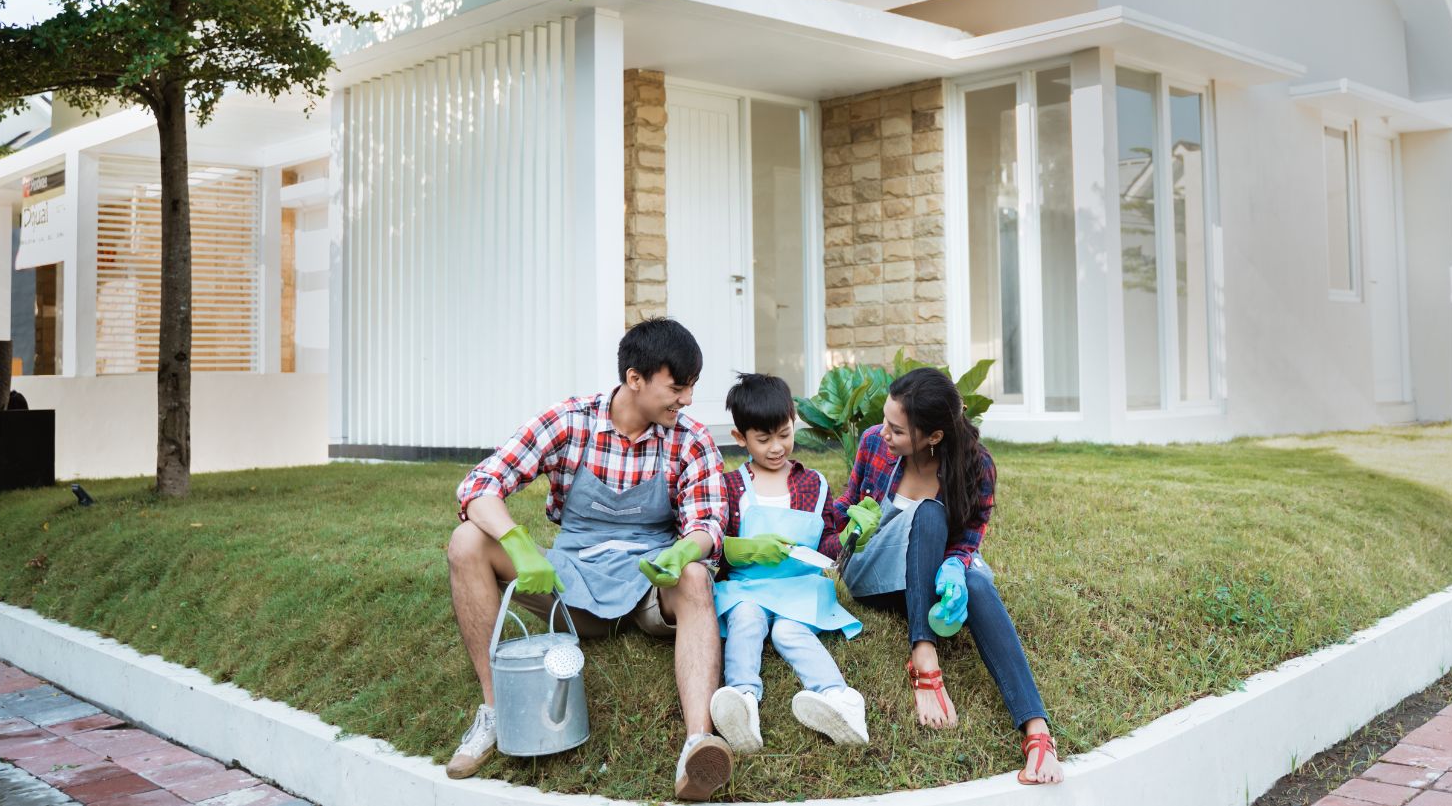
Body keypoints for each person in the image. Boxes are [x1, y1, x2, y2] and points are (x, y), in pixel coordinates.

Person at [443, 318, 734, 801]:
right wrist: (517, 542)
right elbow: (479, 486)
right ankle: (496, 711)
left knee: (697, 577)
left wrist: (685, 550)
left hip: (648, 584)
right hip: (570, 584)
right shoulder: (569, 421)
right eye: (677, 388)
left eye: (691, 389)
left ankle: (697, 745)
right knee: (466, 541)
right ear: (635, 378)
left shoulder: (691, 438)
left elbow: (707, 522)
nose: (686, 401)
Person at [819, 366, 1065, 785]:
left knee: (973, 580)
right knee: (930, 514)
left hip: (929, 573)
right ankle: (924, 654)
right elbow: (839, 514)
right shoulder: (872, 445)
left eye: (897, 430)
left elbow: (971, 533)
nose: (883, 433)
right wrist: (846, 528)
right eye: (885, 420)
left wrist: (955, 563)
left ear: (933, 436)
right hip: (875, 572)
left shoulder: (976, 463)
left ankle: (1037, 732)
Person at [708, 372, 870, 753]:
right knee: (747, 618)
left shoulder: (814, 484)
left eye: (784, 433)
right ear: (740, 439)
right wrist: (743, 548)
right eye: (763, 440)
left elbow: (827, 542)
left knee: (788, 633)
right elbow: (715, 546)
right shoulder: (731, 487)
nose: (777, 447)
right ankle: (743, 702)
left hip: (800, 587)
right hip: (747, 587)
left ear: (793, 421)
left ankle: (841, 700)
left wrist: (849, 536)